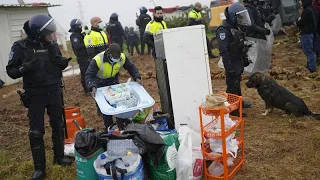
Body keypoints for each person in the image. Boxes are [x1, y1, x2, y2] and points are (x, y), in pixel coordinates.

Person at [6, 14, 72, 180]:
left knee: (58, 125)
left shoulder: (52, 45)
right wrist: (24, 68)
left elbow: (56, 65)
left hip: (54, 91)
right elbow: (11, 71)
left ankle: (59, 157)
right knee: (36, 132)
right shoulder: (20, 47)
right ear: (37, 33)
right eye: (48, 33)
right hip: (35, 95)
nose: (51, 36)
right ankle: (40, 169)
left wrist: (62, 64)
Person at [85, 43, 142, 130]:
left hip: (113, 81)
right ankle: (109, 127)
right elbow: (89, 75)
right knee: (106, 109)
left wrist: (137, 77)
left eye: (117, 58)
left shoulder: (122, 57)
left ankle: (122, 124)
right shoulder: (97, 60)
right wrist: (92, 86)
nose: (116, 60)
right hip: (100, 82)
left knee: (119, 103)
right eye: (114, 58)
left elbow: (131, 67)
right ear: (109, 54)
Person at [216, 3, 253, 116]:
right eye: (239, 17)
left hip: (238, 60)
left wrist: (244, 58)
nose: (241, 19)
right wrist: (229, 67)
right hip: (231, 62)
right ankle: (234, 110)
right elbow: (224, 51)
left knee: (237, 83)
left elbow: (240, 44)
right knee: (232, 85)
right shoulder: (223, 30)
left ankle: (239, 102)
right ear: (233, 16)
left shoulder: (235, 27)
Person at [69, 19, 90, 95]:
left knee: (89, 72)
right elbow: (77, 46)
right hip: (82, 57)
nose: (81, 27)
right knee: (84, 73)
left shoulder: (80, 34)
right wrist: (86, 42)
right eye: (79, 25)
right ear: (75, 26)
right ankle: (87, 90)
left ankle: (90, 87)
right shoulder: (74, 36)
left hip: (86, 56)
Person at [298, 0, 317, 72]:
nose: (300, 3)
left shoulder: (307, 11)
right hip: (308, 33)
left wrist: (298, 20)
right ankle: (309, 65)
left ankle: (311, 68)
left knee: (309, 51)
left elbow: (301, 23)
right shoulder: (311, 9)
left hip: (307, 33)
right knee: (308, 51)